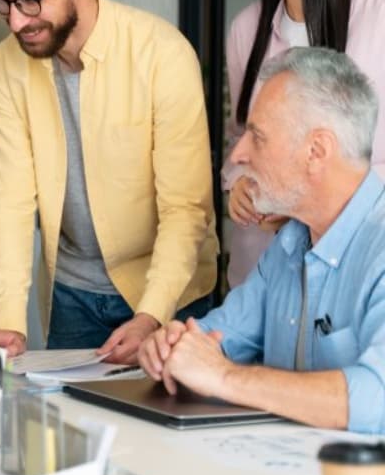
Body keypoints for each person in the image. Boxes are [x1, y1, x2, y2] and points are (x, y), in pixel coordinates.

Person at [0, 0, 218, 362]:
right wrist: (8, 317)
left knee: (160, 430)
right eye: (2, 2)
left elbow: (185, 209)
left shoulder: (162, 54)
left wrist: (152, 315)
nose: (17, 20)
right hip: (72, 294)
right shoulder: (8, 62)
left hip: (169, 292)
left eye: (30, 0)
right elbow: (10, 199)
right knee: (68, 427)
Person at [140, 47, 385, 434]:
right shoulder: (290, 244)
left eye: (257, 137)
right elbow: (220, 334)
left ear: (316, 151)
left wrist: (225, 377)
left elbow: (378, 398)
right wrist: (173, 345)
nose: (238, 154)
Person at [223, 0, 385, 287]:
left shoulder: (381, 20)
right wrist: (240, 184)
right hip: (262, 277)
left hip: (358, 276)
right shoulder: (245, 30)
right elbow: (242, 140)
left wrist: (305, 200)